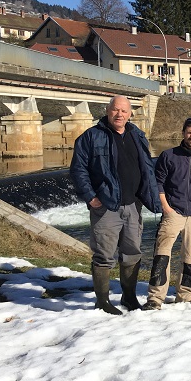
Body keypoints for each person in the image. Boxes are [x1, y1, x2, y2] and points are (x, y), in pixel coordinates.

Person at [70, 95, 161, 315]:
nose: (119, 114)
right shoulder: (91, 136)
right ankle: (102, 301)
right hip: (106, 206)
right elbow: (78, 170)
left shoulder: (137, 135)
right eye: (115, 110)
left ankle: (129, 297)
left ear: (130, 114)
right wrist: (91, 197)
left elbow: (146, 168)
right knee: (104, 255)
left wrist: (149, 196)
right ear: (107, 111)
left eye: (124, 111)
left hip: (133, 205)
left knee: (132, 253)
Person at [143, 117, 191, 310]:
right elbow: (158, 183)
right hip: (173, 212)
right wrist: (165, 207)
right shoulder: (168, 156)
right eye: (189, 132)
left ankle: (185, 295)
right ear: (183, 133)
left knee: (190, 257)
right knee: (162, 255)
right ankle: (156, 298)